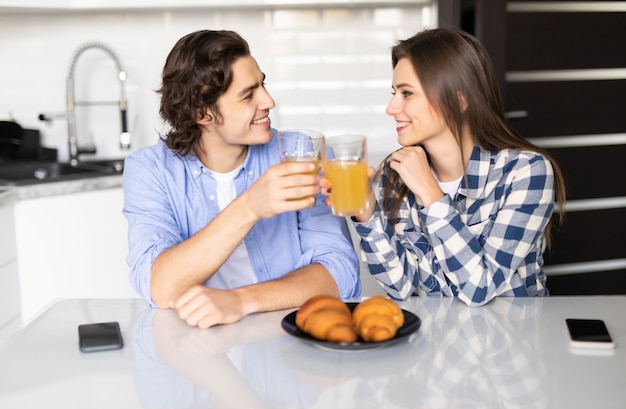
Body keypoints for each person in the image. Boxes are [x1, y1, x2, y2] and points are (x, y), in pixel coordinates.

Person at [123, 30, 360, 329]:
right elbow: (160, 287)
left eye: (263, 84)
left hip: (285, 343)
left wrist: (240, 301)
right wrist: (250, 207)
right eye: (248, 95)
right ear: (202, 113)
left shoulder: (299, 154)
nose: (269, 101)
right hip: (196, 346)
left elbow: (340, 273)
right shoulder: (150, 170)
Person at [325, 28, 565, 307]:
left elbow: (480, 288)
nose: (391, 107)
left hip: (514, 341)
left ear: (459, 100)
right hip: (435, 344)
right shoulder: (395, 173)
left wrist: (431, 194)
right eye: (394, 93)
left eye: (407, 93)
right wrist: (367, 213)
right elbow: (401, 287)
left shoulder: (525, 172)